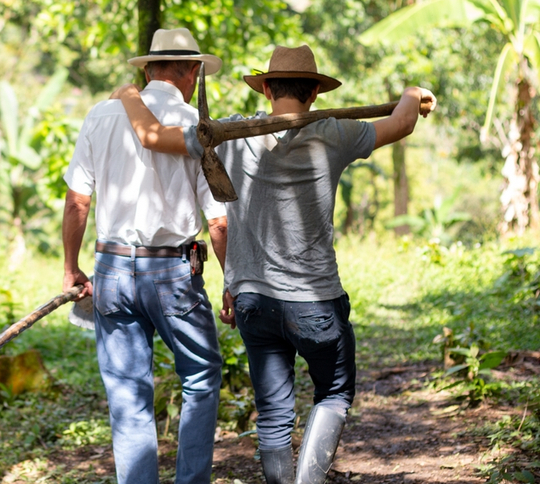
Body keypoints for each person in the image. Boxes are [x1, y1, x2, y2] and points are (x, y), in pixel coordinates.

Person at [111, 44, 436, 484]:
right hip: (316, 302)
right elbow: (402, 121)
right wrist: (414, 92)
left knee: (274, 412)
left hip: (254, 303)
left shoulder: (229, 134)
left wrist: (130, 93)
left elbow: (151, 136)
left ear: (265, 88)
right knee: (335, 392)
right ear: (315, 93)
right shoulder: (335, 134)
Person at [61, 28, 229, 484]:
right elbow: (218, 221)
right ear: (192, 71)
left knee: (127, 392)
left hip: (111, 267)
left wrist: (71, 268)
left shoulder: (101, 115)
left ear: (149, 69)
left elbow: (78, 202)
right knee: (200, 375)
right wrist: (231, 281)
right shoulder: (196, 125)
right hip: (172, 269)